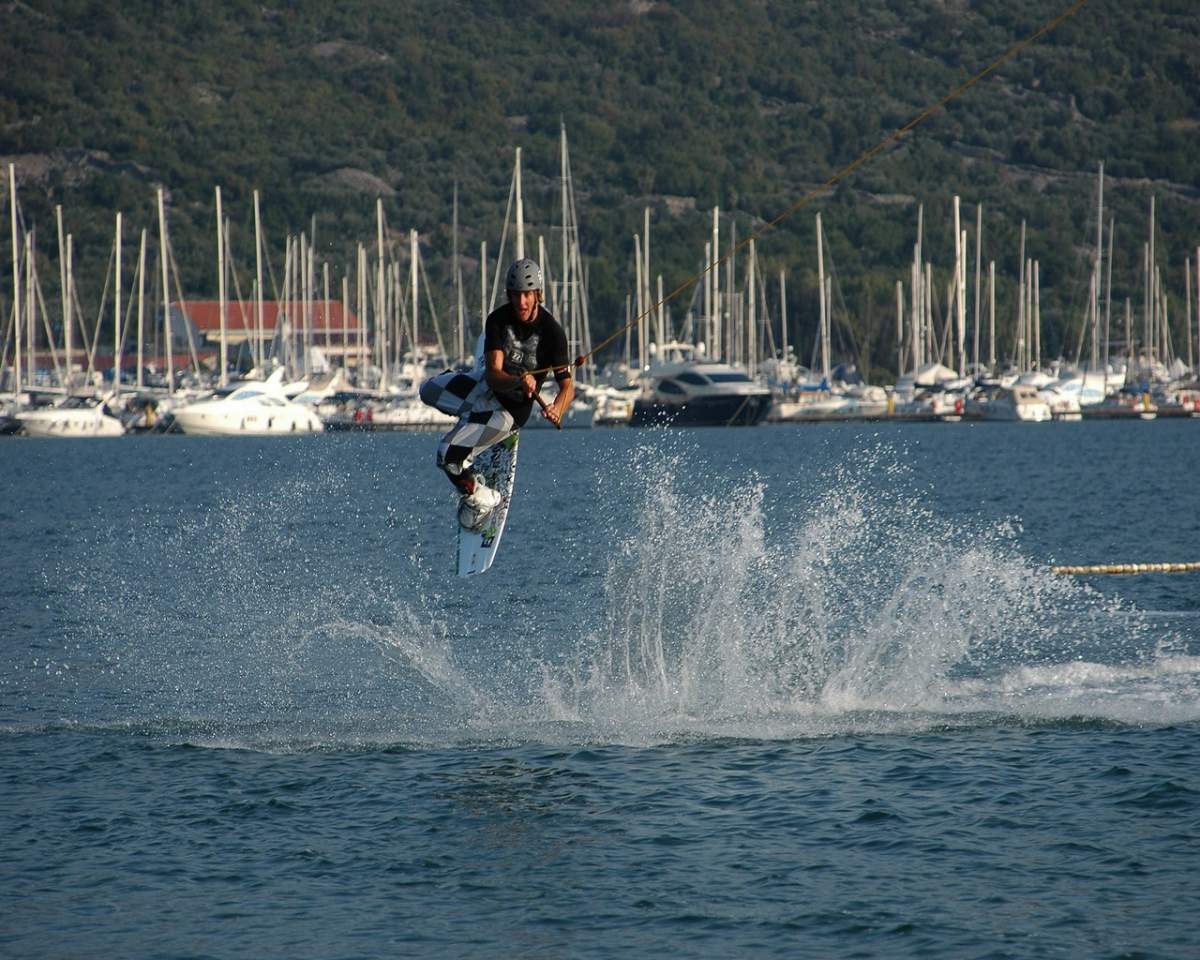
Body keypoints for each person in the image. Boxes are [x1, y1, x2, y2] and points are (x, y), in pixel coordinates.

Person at [419, 257, 574, 527]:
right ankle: (471, 427)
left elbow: (567, 386)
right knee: (427, 390)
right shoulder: (499, 321)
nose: (521, 302)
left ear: (538, 294)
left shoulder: (553, 334)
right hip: (487, 387)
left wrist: (558, 408)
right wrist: (518, 379)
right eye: (516, 295)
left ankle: (480, 498)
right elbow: (494, 375)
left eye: (527, 295)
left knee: (447, 456)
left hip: (509, 412)